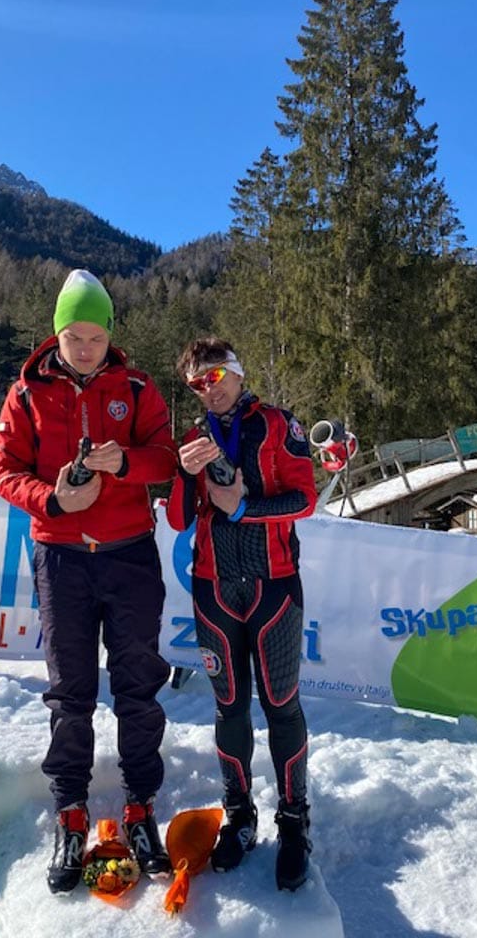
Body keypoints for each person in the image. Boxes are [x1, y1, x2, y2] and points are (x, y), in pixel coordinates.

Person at [0, 269, 177, 893]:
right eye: (75, 336)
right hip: (61, 558)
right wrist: (53, 499)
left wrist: (125, 462)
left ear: (111, 334)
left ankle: (140, 806)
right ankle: (70, 812)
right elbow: (3, 471)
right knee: (70, 692)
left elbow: (166, 459)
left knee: (138, 687)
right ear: (57, 334)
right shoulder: (26, 392)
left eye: (97, 336)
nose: (87, 348)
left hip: (129, 556)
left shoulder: (137, 388)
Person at [167, 337, 318, 892]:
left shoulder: (278, 424)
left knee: (281, 705)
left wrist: (244, 508)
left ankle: (294, 821)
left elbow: (305, 498)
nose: (208, 390)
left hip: (273, 586)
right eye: (196, 384)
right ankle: (239, 815)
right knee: (229, 708)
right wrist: (181, 474)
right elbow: (179, 520)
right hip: (213, 589)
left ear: (236, 372)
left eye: (215, 376)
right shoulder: (194, 437)